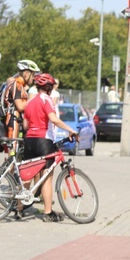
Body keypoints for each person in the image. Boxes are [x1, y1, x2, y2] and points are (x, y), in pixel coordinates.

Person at [22, 73, 78, 222]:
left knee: (27, 174)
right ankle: (48, 212)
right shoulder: (46, 100)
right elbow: (53, 119)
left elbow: (26, 125)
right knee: (47, 176)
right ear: (47, 87)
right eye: (51, 87)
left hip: (29, 141)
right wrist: (70, 130)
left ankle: (19, 207)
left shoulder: (30, 102)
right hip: (44, 141)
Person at [1, 59, 40, 152]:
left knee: (17, 152)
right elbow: (20, 106)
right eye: (33, 74)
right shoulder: (16, 85)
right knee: (12, 152)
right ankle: (10, 166)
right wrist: (35, 99)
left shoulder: (20, 86)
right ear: (26, 73)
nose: (34, 78)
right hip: (13, 119)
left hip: (17, 120)